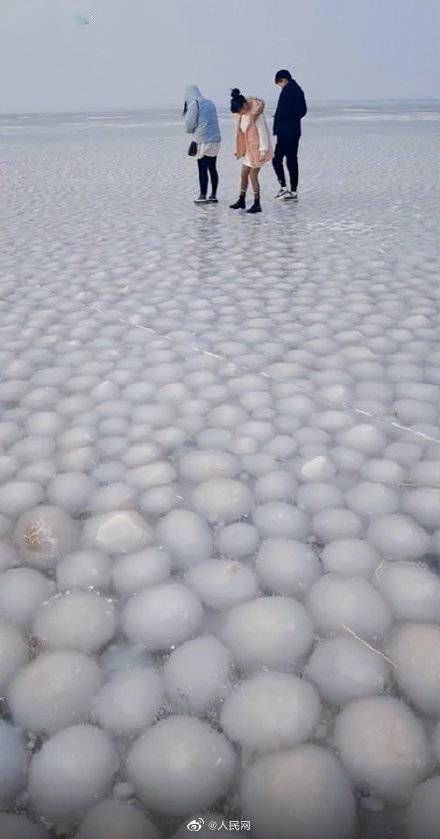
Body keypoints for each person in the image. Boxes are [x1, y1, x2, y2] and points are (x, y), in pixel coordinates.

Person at [229, 88, 272, 214]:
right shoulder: (241, 116)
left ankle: (257, 203)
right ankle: (241, 200)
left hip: (258, 150)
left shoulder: (256, 115)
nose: (240, 113)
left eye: (240, 111)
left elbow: (263, 132)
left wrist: (264, 150)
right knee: (243, 174)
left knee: (253, 175)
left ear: (244, 105)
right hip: (249, 150)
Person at [272, 69, 307, 200]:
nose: (279, 86)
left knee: (277, 159)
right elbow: (302, 111)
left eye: (278, 83)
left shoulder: (288, 90)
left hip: (285, 131)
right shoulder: (298, 89)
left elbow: (287, 111)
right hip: (294, 130)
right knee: (292, 159)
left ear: (283, 80)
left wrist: (281, 117)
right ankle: (293, 190)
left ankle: (284, 187)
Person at [184, 85, 221, 204]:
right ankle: (213, 195)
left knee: (202, 169)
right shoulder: (210, 103)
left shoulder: (194, 103)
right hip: (215, 140)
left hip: (202, 140)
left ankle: (202, 195)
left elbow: (190, 124)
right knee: (212, 167)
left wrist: (190, 131)